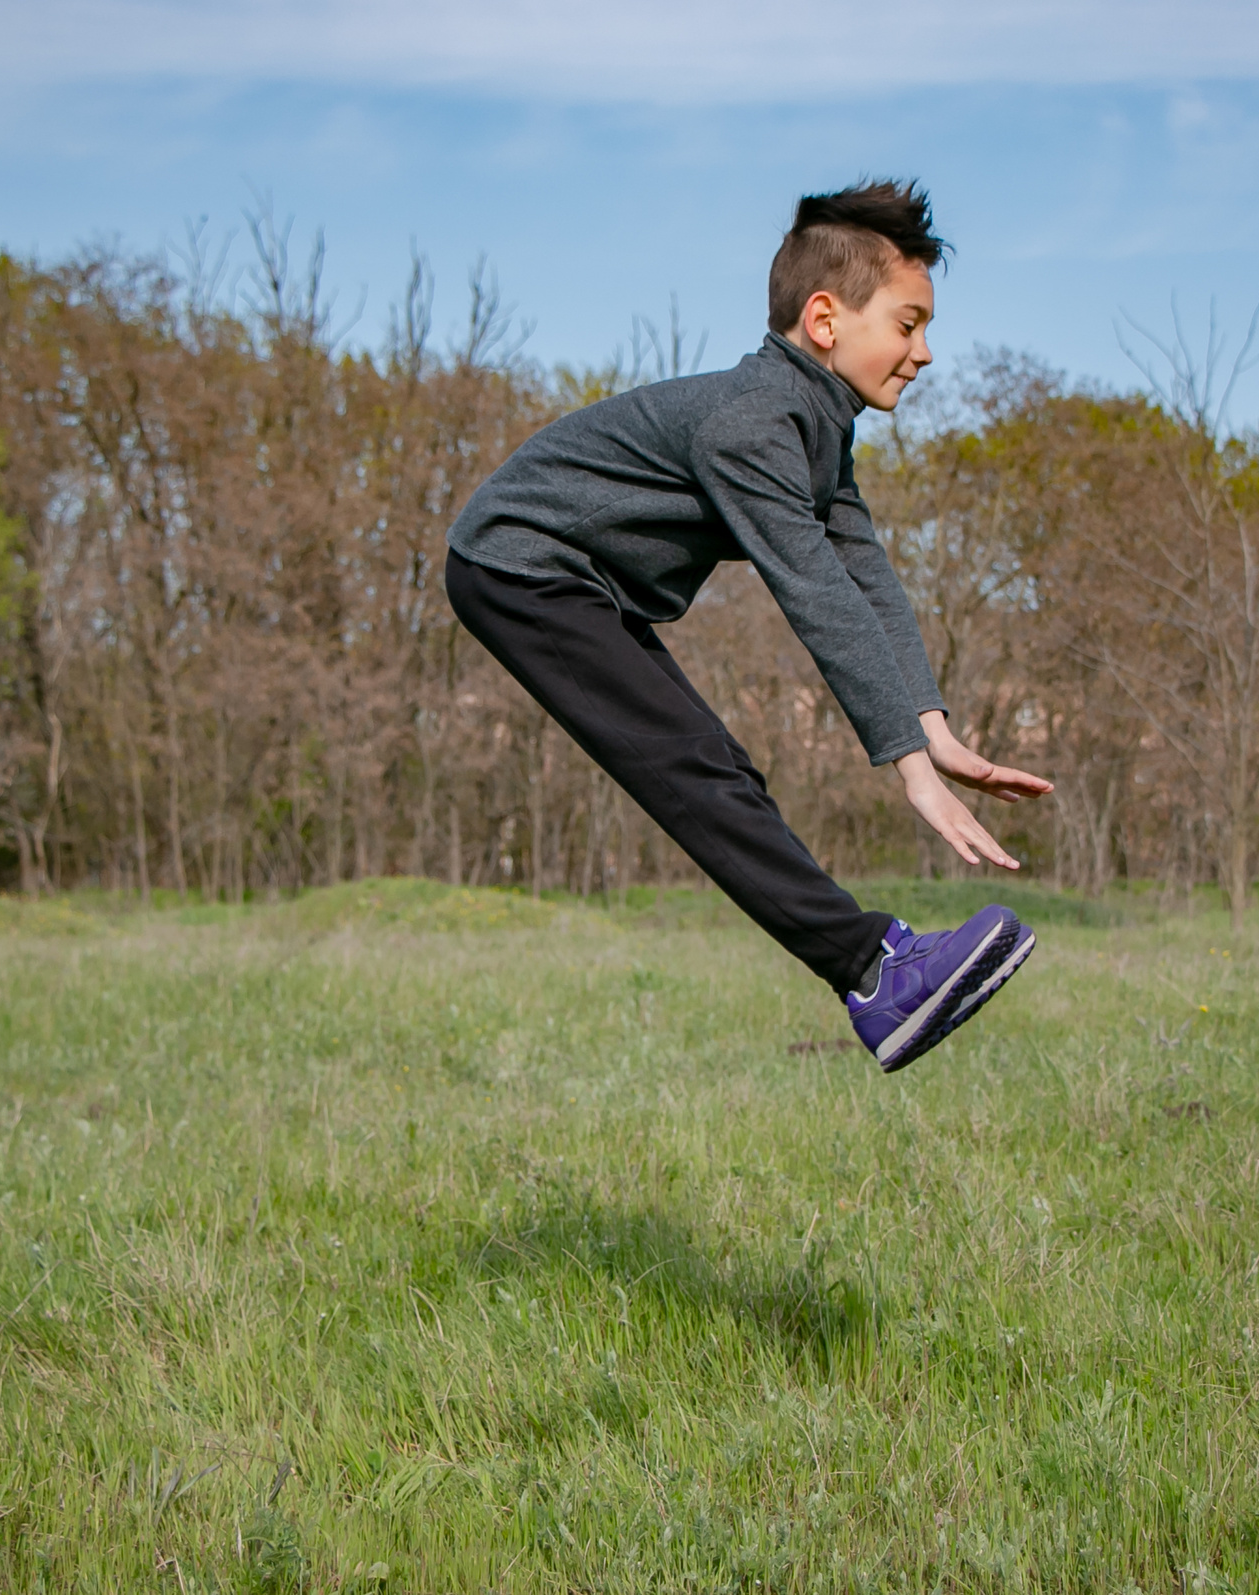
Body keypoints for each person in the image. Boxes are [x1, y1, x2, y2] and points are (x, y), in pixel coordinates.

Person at [444, 180, 1052, 1071]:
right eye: (909, 322)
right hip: (520, 566)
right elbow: (814, 590)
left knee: (720, 767)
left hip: (577, 578)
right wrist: (911, 773)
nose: (925, 352)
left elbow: (864, 574)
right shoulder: (756, 421)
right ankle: (875, 974)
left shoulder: (816, 424)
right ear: (825, 319)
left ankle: (878, 973)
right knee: (691, 769)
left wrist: (933, 728)